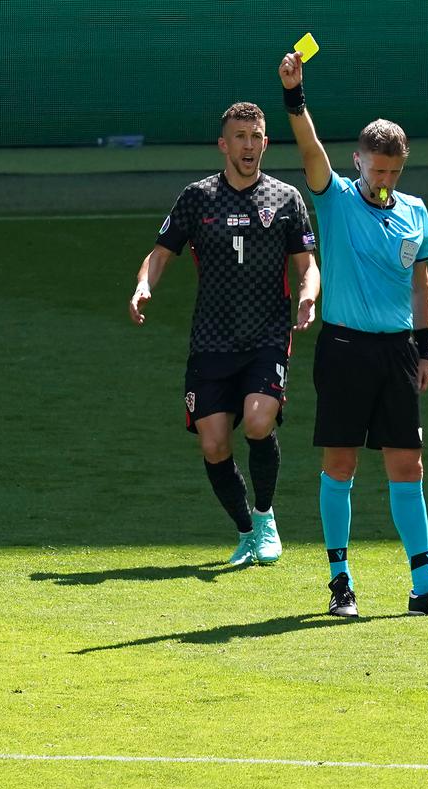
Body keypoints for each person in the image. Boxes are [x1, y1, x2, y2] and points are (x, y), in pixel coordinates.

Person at [277, 51, 428, 618]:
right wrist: (295, 96)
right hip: (344, 349)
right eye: (376, 168)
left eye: (394, 171)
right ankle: (340, 581)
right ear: (358, 160)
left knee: (408, 465)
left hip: (396, 353)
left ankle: (424, 585)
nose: (385, 179)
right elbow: (309, 149)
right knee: (340, 464)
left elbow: (421, 284)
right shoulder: (336, 199)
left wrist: (426, 348)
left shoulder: (416, 213)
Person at [129, 102, 320, 566]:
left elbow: (308, 264)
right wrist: (142, 285)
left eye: (256, 137)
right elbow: (160, 253)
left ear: (265, 142)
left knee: (258, 420)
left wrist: (308, 295)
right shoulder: (197, 199)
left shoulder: (286, 199)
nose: (249, 145)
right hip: (211, 340)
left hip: (266, 336)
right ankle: (246, 531)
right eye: (240, 137)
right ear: (223, 145)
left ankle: (266, 515)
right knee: (214, 444)